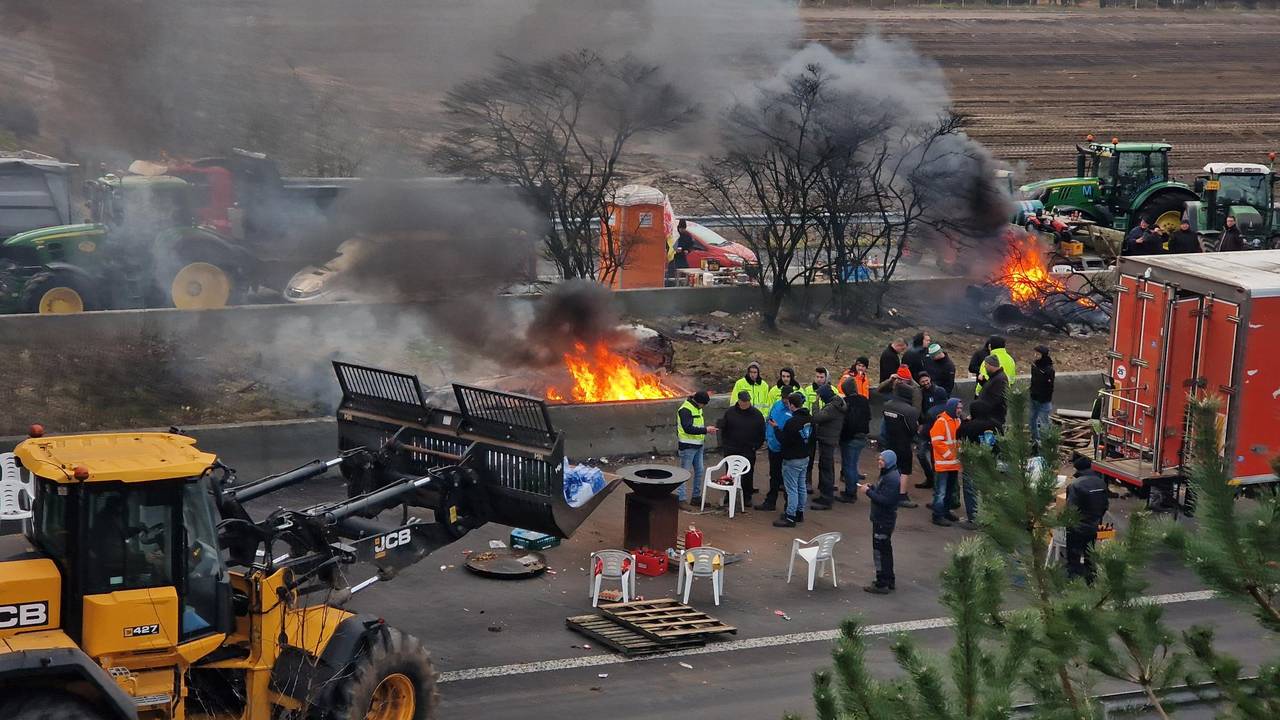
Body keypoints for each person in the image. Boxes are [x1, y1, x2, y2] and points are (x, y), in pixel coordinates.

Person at [1065, 456, 1110, 584]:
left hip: (1077, 528)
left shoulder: (1075, 485)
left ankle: (1074, 581)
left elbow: (1071, 509)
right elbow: (1105, 505)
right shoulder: (1101, 483)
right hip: (1094, 525)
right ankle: (1091, 580)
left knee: (1074, 556)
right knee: (1089, 554)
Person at [717, 390, 766, 505]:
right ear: (738, 401)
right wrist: (724, 445)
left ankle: (747, 496)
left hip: (748, 449)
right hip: (731, 448)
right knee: (730, 472)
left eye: (747, 401)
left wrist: (756, 446)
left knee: (747, 473)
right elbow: (722, 428)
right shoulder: (730, 412)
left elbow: (762, 432)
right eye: (743, 401)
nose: (745, 404)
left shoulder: (757, 414)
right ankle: (729, 494)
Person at [862, 450, 901, 594]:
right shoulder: (889, 475)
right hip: (884, 519)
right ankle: (889, 579)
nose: (879, 462)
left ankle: (882, 582)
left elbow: (885, 500)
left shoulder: (891, 478)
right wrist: (873, 488)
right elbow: (884, 494)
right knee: (885, 550)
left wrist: (868, 492)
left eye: (882, 460)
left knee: (879, 551)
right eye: (879, 459)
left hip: (882, 520)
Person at [957, 399, 1000, 529]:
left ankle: (973, 518)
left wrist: (965, 421)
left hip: (973, 460)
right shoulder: (996, 424)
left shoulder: (971, 425)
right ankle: (990, 518)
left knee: (970, 490)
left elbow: (958, 434)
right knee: (988, 490)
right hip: (991, 461)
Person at [774, 393, 813, 528]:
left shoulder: (792, 422)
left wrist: (776, 428)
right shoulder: (809, 418)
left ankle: (790, 516)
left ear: (791, 405)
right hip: (805, 457)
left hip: (792, 459)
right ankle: (799, 513)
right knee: (801, 486)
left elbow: (784, 440)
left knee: (791, 489)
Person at [756, 388, 796, 512]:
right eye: (783, 398)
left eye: (787, 399)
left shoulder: (794, 410)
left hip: (786, 448)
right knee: (774, 475)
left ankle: (790, 508)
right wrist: (767, 438)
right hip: (773, 446)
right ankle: (771, 502)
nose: (785, 401)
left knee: (788, 479)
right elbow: (769, 420)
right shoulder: (777, 405)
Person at [675, 390, 717, 505]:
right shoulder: (685, 410)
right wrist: (706, 430)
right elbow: (687, 428)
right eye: (703, 404)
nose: (704, 406)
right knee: (684, 473)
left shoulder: (697, 408)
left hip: (698, 445)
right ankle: (681, 499)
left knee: (699, 471)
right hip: (688, 446)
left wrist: (706, 431)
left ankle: (696, 497)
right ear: (699, 402)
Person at [882, 383, 920, 508]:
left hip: (889, 441)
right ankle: (901, 496)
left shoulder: (887, 405)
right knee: (904, 470)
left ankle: (885, 490)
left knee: (889, 466)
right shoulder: (910, 410)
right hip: (904, 443)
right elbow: (912, 429)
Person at [811, 384, 846, 509]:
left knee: (826, 469)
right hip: (830, 439)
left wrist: (814, 405)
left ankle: (826, 498)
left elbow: (816, 418)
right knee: (826, 467)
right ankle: (825, 494)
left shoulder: (832, 407)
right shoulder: (836, 404)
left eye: (820, 396)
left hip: (827, 440)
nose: (819, 398)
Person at [913, 372, 950, 490]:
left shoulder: (940, 391)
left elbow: (944, 409)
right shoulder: (920, 393)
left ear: (930, 379)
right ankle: (930, 478)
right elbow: (918, 408)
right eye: (922, 382)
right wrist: (920, 423)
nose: (925, 383)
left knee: (936, 457)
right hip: (925, 427)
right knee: (921, 454)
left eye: (926, 380)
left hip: (937, 428)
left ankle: (937, 482)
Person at [929, 398, 962, 527]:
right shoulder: (941, 422)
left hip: (953, 463)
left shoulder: (956, 421)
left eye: (961, 408)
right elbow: (937, 442)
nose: (960, 410)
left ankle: (945, 511)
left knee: (948, 491)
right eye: (958, 408)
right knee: (941, 492)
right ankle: (937, 515)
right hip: (944, 464)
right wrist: (950, 455)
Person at [838, 376, 870, 503]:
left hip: (849, 438)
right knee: (853, 464)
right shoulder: (864, 400)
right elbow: (869, 417)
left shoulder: (846, 402)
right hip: (862, 437)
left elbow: (844, 421)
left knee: (848, 466)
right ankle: (851, 490)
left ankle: (850, 493)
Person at [802, 367, 831, 489]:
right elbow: (805, 407)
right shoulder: (808, 390)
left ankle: (824, 483)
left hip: (826, 426)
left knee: (826, 458)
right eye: (817, 377)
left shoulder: (832, 390)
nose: (819, 379)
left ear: (826, 378)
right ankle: (807, 481)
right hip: (812, 425)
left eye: (821, 377)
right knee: (809, 455)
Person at [1029, 344, 1056, 444]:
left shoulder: (1048, 370)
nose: (1035, 355)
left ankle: (1045, 443)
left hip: (1044, 400)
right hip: (1034, 397)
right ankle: (1035, 439)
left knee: (1044, 422)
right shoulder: (1035, 366)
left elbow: (1050, 387)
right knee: (1032, 419)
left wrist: (1044, 397)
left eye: (1038, 353)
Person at [977, 355, 1009, 427]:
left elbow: (996, 397)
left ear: (990, 365)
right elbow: (991, 390)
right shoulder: (995, 377)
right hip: (990, 415)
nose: (985, 367)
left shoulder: (1000, 379)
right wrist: (983, 382)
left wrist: (983, 408)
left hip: (994, 416)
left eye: (986, 365)